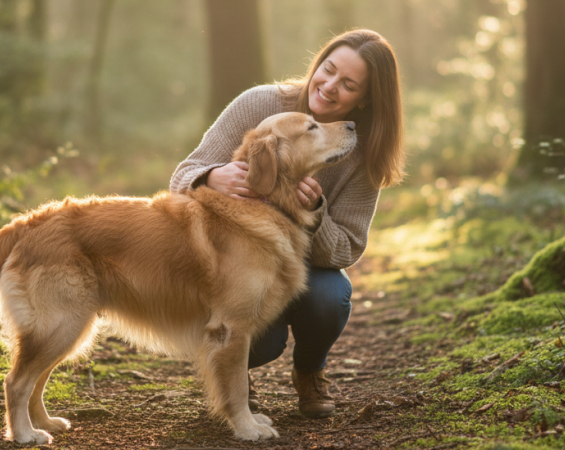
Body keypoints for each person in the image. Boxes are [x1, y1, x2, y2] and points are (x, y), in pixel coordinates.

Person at [169, 29, 405, 418]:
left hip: (306, 266)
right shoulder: (259, 104)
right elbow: (183, 174)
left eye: (348, 85)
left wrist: (315, 213)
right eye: (328, 69)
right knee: (263, 342)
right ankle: (236, 378)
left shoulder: (363, 151)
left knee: (330, 297)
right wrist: (210, 176)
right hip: (238, 263)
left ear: (365, 99)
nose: (329, 86)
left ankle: (310, 371)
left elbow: (347, 248)